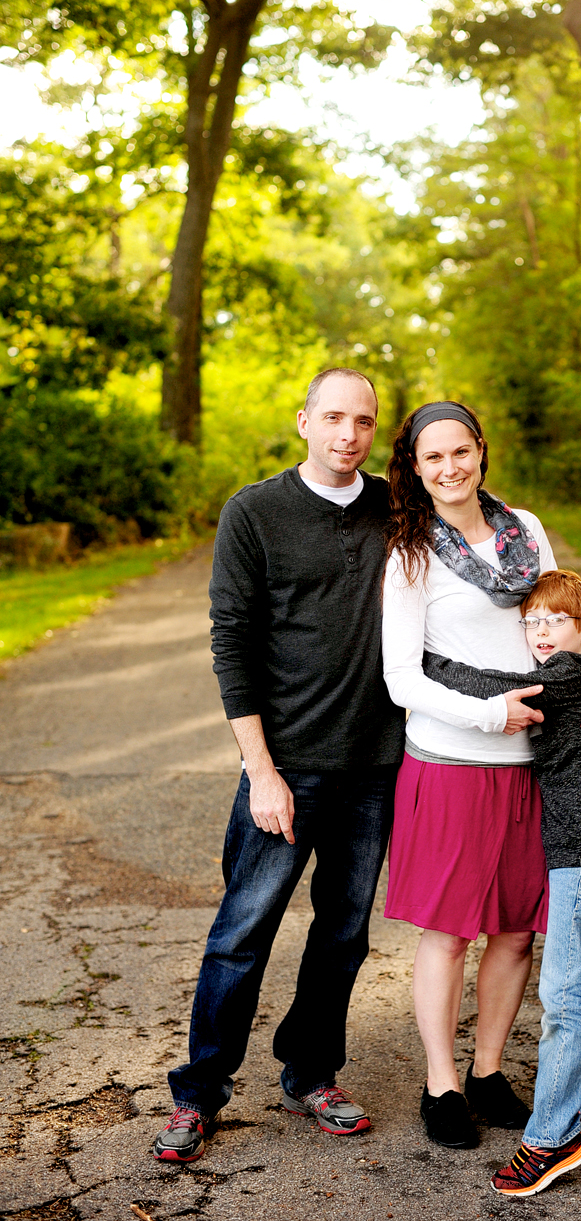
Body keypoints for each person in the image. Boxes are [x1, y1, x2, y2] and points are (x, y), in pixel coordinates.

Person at [153, 368, 405, 1163]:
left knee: (345, 933)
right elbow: (232, 645)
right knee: (242, 933)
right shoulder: (254, 512)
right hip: (286, 767)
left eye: (363, 421)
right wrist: (261, 771)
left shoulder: (398, 511)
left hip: (375, 766)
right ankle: (199, 1094)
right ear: (303, 420)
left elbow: (489, 571)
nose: (348, 434)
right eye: (333, 417)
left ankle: (311, 1073)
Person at [381, 401, 581, 1150]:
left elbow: (565, 616)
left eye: (461, 452)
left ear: (481, 452)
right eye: (434, 458)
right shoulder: (410, 552)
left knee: (518, 934)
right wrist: (492, 715)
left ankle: (488, 1072)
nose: (450, 468)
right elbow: (401, 677)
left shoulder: (524, 528)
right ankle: (441, 1085)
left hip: (534, 768)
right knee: (450, 934)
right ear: (416, 468)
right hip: (454, 762)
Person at [423, 569, 581, 1196]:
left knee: (566, 996)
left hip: (580, 856)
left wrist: (427, 664)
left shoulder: (565, 679)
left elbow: (490, 686)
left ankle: (552, 1138)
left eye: (554, 623)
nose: (539, 633)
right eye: (531, 623)